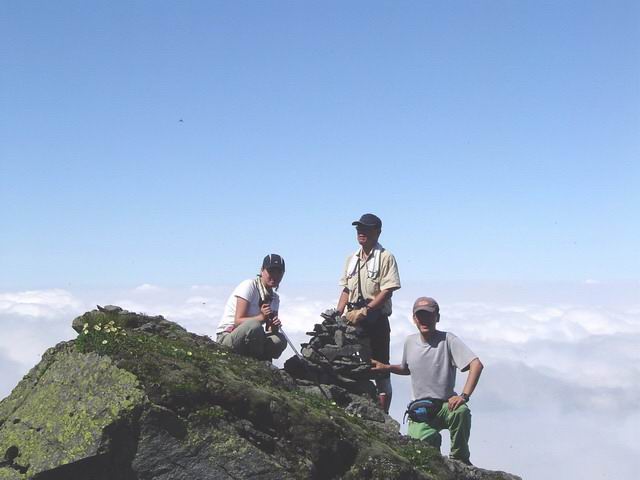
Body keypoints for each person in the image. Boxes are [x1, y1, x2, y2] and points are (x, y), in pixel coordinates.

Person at [371, 296, 483, 465]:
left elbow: (476, 365)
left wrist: (463, 396)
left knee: (461, 412)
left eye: (429, 315)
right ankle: (436, 455)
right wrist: (386, 367)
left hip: (446, 405)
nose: (424, 320)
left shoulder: (448, 340)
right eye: (420, 315)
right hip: (420, 409)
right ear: (414, 319)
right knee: (423, 448)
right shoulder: (410, 342)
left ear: (437, 317)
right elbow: (408, 368)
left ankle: (460, 460)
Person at [337, 213, 401, 413]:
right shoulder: (351, 259)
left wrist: (367, 310)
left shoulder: (385, 257)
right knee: (351, 363)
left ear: (377, 232)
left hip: (376, 320)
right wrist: (338, 313)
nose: (361, 232)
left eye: (366, 229)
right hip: (353, 319)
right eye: (359, 228)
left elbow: (388, 290)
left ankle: (383, 413)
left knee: (380, 367)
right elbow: (346, 289)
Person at [216, 254, 287, 361]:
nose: (275, 276)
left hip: (253, 337)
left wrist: (274, 326)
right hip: (228, 335)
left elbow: (269, 330)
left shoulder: (275, 298)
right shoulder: (249, 286)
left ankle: (261, 361)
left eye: (279, 272)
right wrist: (262, 317)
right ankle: (258, 362)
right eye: (271, 271)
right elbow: (238, 321)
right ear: (262, 270)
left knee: (279, 340)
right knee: (254, 326)